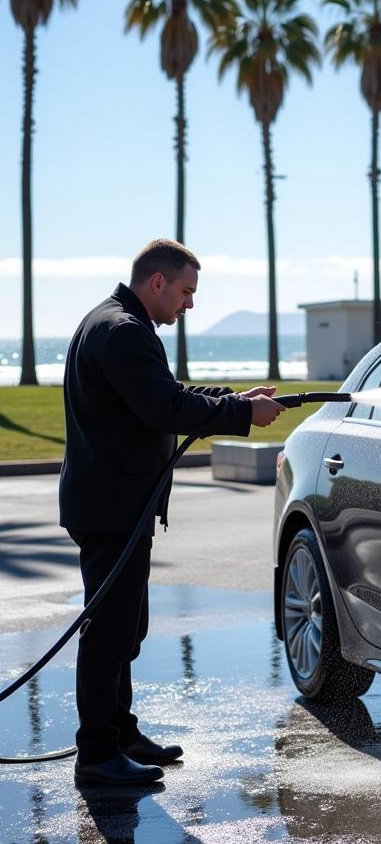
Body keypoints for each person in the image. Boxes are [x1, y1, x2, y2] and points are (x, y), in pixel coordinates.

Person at [59, 239, 284, 786]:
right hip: (112, 507)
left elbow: (161, 394)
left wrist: (234, 397)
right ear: (156, 282)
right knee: (110, 630)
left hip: (112, 503)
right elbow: (164, 408)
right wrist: (240, 413)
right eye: (186, 292)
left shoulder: (116, 324)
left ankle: (119, 733)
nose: (189, 304)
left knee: (126, 625)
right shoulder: (125, 332)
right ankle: (96, 754)